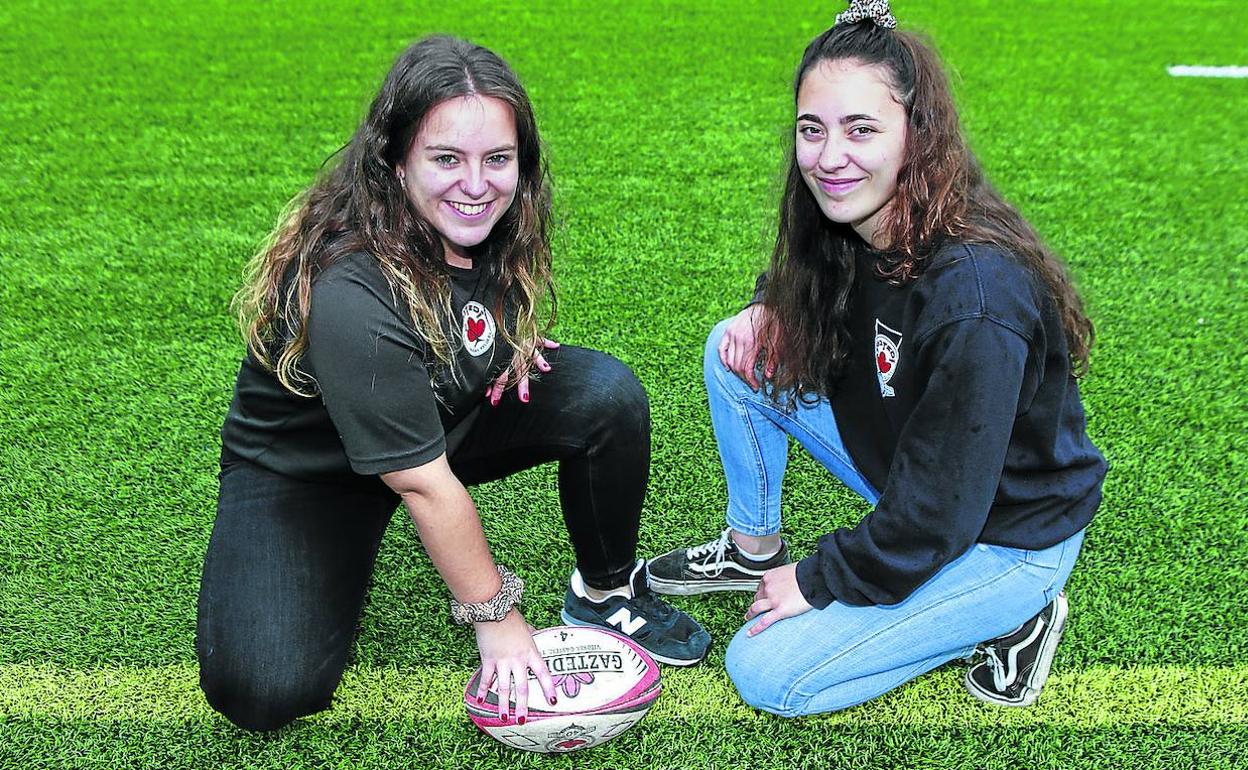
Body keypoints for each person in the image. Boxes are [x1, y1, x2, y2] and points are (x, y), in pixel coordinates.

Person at [197, 35, 709, 733]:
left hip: (435, 418)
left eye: (498, 159)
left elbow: (469, 308)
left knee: (602, 395)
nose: (477, 184)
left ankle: (604, 591)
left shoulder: (489, 216)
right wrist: (496, 619)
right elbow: (422, 482)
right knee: (261, 689)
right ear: (394, 161)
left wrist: (503, 349)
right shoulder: (349, 288)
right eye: (446, 159)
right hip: (310, 473)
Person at [647, 0, 1105, 716]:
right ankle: (751, 546)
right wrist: (771, 303)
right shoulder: (857, 216)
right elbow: (807, 288)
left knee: (767, 673)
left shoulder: (976, 301)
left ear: (916, 135)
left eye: (861, 129)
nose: (829, 158)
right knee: (734, 352)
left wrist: (819, 576)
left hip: (1001, 531)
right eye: (812, 129)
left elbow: (937, 516)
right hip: (921, 464)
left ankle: (1015, 611)